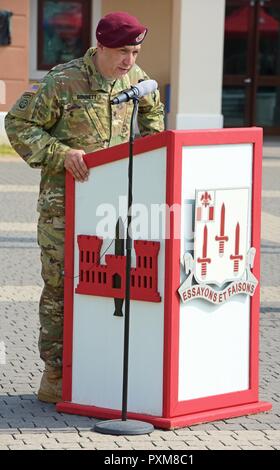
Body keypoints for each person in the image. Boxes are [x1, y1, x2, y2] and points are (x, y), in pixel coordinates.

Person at [5, 11, 165, 404]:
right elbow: (18, 125)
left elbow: (155, 121)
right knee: (61, 285)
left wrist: (150, 162)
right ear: (101, 47)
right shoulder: (63, 81)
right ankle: (56, 372)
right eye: (123, 52)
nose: (129, 60)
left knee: (113, 285)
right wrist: (61, 152)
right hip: (65, 205)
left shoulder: (139, 82)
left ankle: (104, 366)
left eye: (136, 51)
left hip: (119, 208)